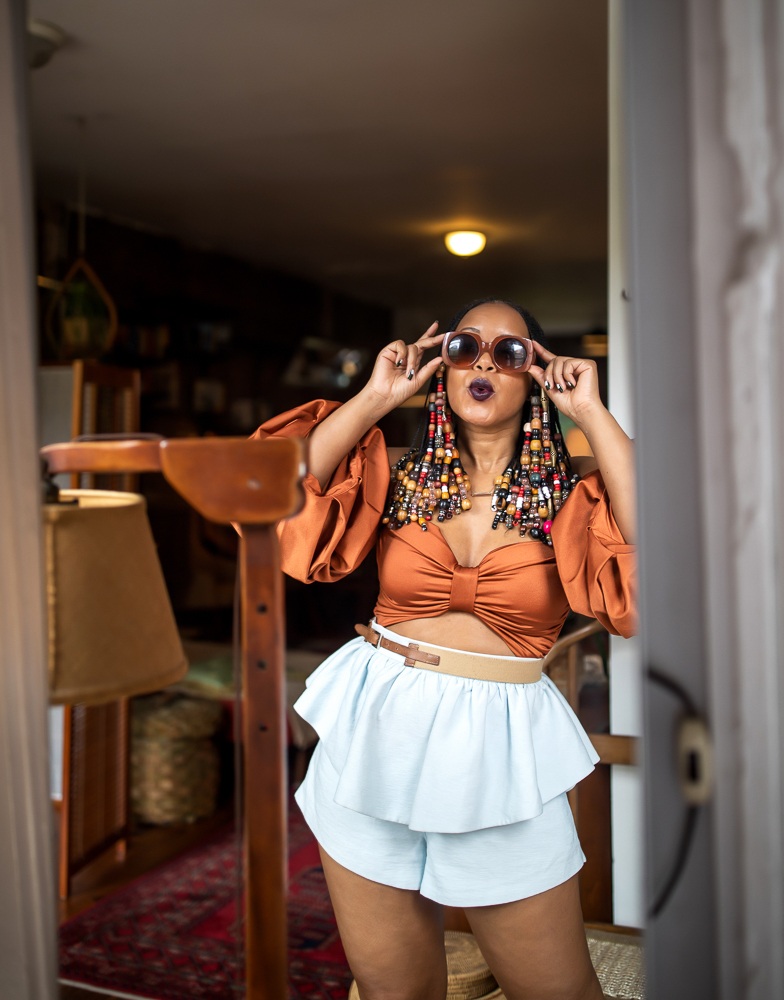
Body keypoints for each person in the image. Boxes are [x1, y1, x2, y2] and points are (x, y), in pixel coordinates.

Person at [252, 299, 636, 1000]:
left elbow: (656, 536)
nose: (485, 361)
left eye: (511, 352)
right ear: (445, 371)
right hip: (373, 732)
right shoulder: (398, 474)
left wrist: (591, 411)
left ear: (536, 377)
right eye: (466, 347)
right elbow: (273, 487)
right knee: (396, 991)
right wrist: (375, 395)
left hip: (502, 747)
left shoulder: (574, 492)